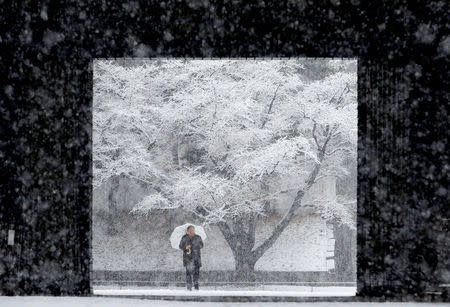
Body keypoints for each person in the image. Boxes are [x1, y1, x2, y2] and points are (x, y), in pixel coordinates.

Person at [179, 225, 203, 290]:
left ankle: (196, 287)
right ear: (188, 231)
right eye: (191, 230)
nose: (192, 231)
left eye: (193, 230)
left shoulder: (198, 237)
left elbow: (201, 245)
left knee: (196, 274)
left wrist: (195, 244)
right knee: (188, 274)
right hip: (188, 258)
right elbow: (180, 246)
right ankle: (189, 287)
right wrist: (185, 247)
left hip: (196, 258)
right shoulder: (184, 237)